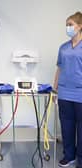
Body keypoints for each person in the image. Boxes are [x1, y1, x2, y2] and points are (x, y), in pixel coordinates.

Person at [53, 12, 82, 168]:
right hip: (64, 93)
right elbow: (59, 69)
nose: (68, 28)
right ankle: (69, 156)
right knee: (67, 126)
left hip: (80, 93)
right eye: (67, 25)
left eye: (71, 24)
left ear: (80, 26)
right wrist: (54, 89)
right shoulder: (63, 48)